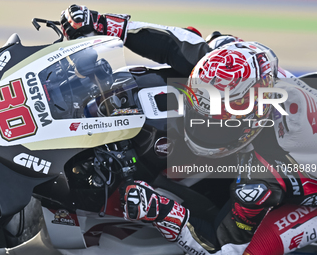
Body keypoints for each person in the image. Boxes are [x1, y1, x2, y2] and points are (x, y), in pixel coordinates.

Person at [59, 4, 317, 255]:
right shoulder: (237, 62)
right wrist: (105, 25)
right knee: (211, 44)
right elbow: (177, 44)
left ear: (253, 121)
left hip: (304, 190)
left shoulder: (263, 177)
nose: (200, 125)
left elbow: (221, 242)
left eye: (215, 124)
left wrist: (163, 212)